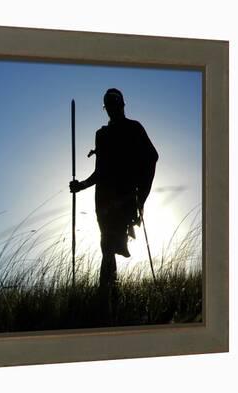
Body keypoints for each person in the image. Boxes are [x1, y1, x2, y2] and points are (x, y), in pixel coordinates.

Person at [69, 88, 159, 317]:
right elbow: (100, 172)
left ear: (122, 104)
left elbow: (152, 157)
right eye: (108, 104)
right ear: (106, 107)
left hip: (125, 197)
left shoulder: (134, 128)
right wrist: (80, 186)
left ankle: (106, 300)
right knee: (106, 247)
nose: (111, 107)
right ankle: (110, 300)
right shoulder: (102, 135)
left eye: (114, 103)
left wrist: (142, 195)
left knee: (109, 246)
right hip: (104, 200)